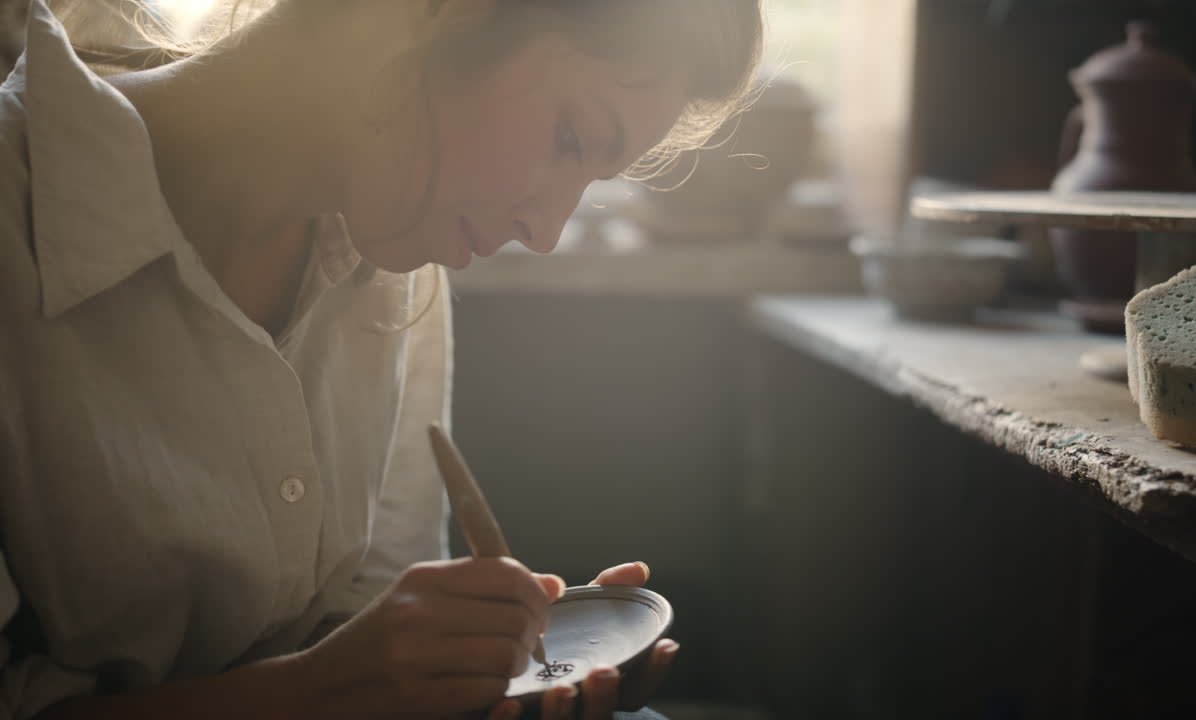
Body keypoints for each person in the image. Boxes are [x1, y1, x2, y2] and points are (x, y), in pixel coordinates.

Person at [0, 1, 763, 718]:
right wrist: (320, 690)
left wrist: (473, 666)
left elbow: (375, 621)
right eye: (571, 138)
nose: (545, 230)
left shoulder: (395, 259)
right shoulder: (19, 215)